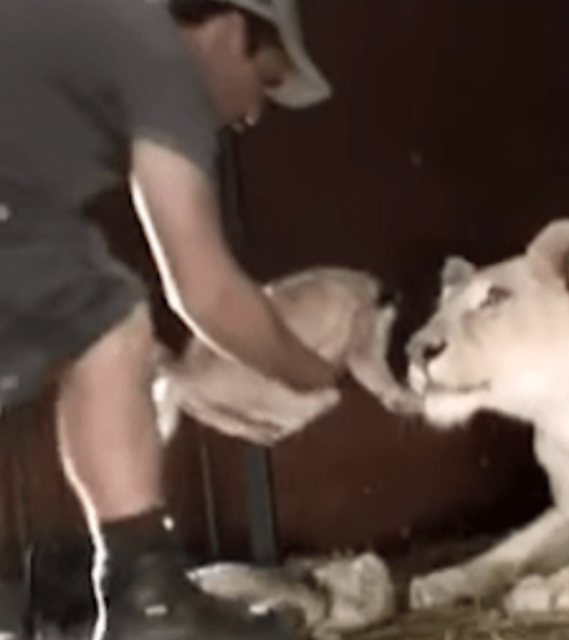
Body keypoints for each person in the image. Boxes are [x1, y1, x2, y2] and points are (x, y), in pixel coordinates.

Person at [0, 0, 347, 638]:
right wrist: (315, 376)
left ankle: (146, 596)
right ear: (231, 28)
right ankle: (147, 605)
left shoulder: (103, 38)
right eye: (265, 80)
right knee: (105, 315)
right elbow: (205, 291)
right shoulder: (159, 58)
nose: (252, 112)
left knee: (97, 314)